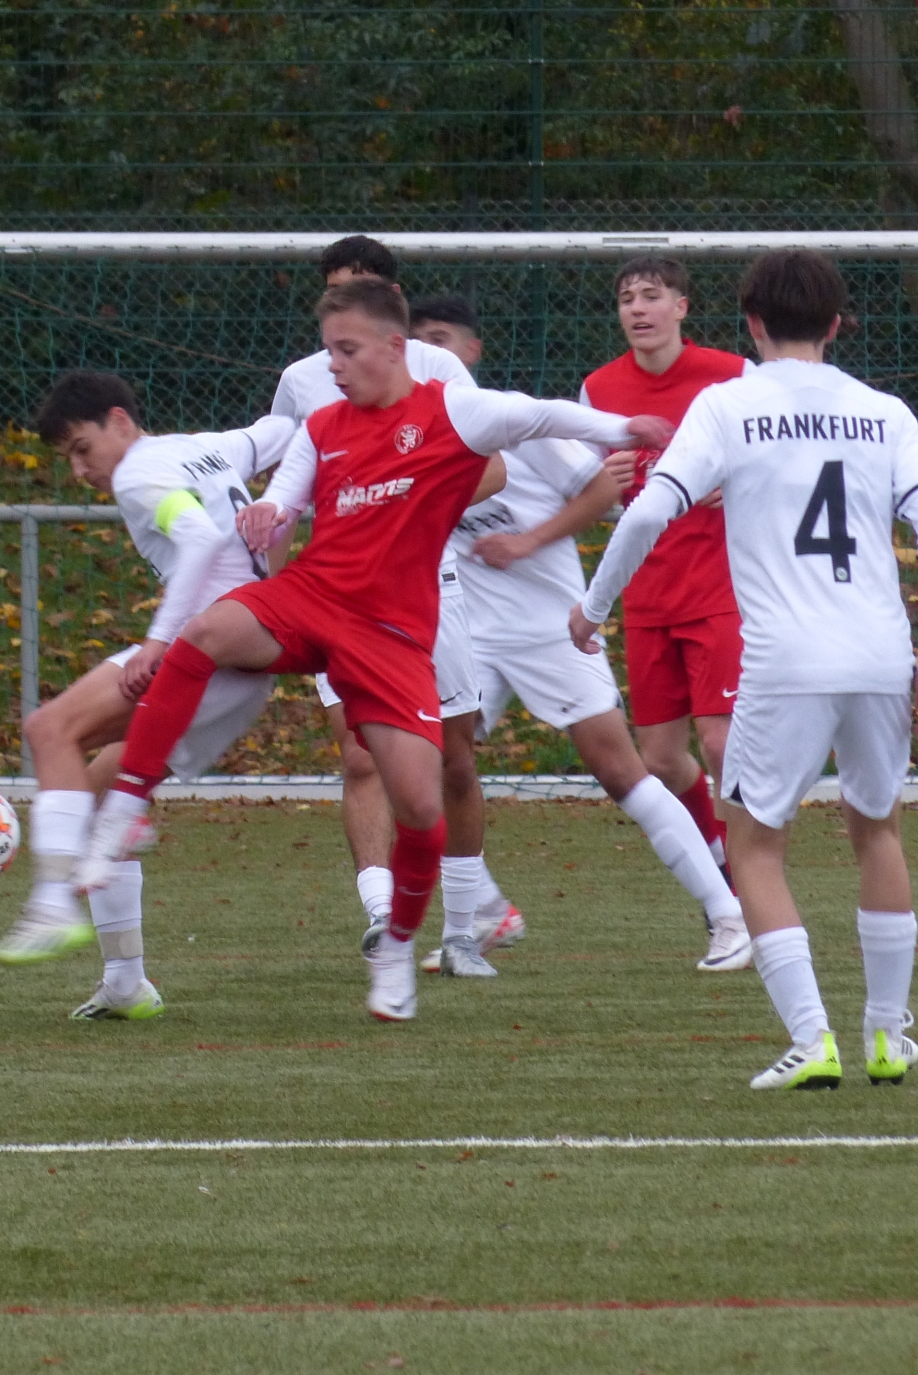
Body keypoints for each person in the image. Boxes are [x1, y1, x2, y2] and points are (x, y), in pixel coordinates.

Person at [78, 278, 671, 1022]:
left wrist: (624, 428)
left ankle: (396, 950)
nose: (333, 365)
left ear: (396, 348)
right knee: (202, 634)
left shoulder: (452, 411)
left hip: (390, 635)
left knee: (421, 808)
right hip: (314, 597)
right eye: (329, 350)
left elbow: (539, 414)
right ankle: (123, 810)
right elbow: (287, 491)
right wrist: (270, 510)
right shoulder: (325, 423)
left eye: (346, 350)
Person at [572, 249, 918, 1091]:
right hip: (878, 655)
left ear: (750, 324)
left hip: (785, 659)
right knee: (878, 831)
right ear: (835, 325)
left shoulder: (727, 404)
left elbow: (646, 510)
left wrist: (594, 604)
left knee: (753, 847)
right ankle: (887, 1036)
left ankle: (813, 1038)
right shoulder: (884, 411)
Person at [413, 295, 751, 972]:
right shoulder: (412, 435)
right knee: (420, 765)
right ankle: (485, 911)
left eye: (442, 340)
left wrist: (526, 541)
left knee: (622, 770)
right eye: (418, 341)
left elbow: (602, 493)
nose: (429, 354)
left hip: (550, 627)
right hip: (469, 631)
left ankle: (729, 916)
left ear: (471, 353)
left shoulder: (514, 421)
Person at [0, 371, 294, 1020]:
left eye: (82, 449)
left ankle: (51, 902)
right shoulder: (208, 447)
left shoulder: (137, 473)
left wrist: (158, 643)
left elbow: (201, 538)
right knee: (99, 796)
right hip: (250, 668)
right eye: (68, 458)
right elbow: (285, 430)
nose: (80, 472)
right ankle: (126, 984)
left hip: (206, 654)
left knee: (49, 730)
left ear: (120, 421)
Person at [272, 236, 520, 977]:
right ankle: (384, 919)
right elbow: (286, 492)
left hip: (425, 589)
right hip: (337, 597)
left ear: (393, 305)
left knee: (453, 759)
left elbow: (494, 469)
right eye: (335, 289)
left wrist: (407, 501)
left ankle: (464, 931)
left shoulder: (436, 369)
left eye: (362, 287)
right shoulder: (303, 381)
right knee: (361, 756)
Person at [580, 255, 754, 877]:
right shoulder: (599, 389)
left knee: (721, 743)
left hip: (719, 587)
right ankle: (720, 861)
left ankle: (748, 874)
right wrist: (603, 480)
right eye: (627, 299)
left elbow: (777, 459)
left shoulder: (732, 378)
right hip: (647, 593)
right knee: (658, 758)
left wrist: (737, 480)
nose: (638, 309)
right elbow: (579, 485)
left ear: (681, 307)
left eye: (651, 296)